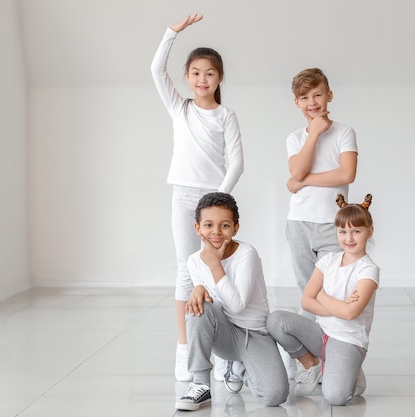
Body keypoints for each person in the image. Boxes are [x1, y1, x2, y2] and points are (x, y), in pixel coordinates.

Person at [150, 13, 244, 382]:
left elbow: (237, 161)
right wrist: (171, 33)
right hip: (183, 195)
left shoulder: (226, 115)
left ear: (219, 78)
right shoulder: (181, 108)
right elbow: (157, 71)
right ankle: (185, 347)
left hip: (215, 201)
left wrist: (218, 199)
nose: (202, 79)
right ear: (188, 77)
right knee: (185, 269)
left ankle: (220, 348)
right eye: (195, 73)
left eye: (209, 73)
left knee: (217, 270)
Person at [175, 192, 289, 411]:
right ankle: (200, 384)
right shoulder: (194, 261)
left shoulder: (247, 254)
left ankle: (237, 368)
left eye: (225, 225)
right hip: (223, 334)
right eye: (208, 224)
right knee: (198, 307)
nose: (216, 232)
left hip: (255, 335)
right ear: (197, 228)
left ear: (235, 228)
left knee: (275, 395)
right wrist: (198, 288)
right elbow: (209, 300)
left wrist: (215, 265)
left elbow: (237, 305)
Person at [267, 194, 379, 406]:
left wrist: (320, 295)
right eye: (343, 231)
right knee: (276, 320)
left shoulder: (368, 269)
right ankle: (312, 363)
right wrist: (339, 303)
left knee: (336, 397)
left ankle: (352, 371)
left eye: (356, 231)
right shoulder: (328, 260)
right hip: (321, 333)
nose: (349, 238)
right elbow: (306, 302)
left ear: (369, 231)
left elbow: (350, 314)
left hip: (348, 340)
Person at [285, 67, 358, 298]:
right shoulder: (295, 138)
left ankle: (332, 334)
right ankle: (311, 335)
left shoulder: (344, 132)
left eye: (317, 94)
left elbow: (347, 174)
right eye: (304, 97)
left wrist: (303, 182)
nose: (312, 102)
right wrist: (314, 133)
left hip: (331, 223)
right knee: (307, 290)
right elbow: (297, 171)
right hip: (299, 223)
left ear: (329, 95)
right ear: (297, 103)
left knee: (334, 288)